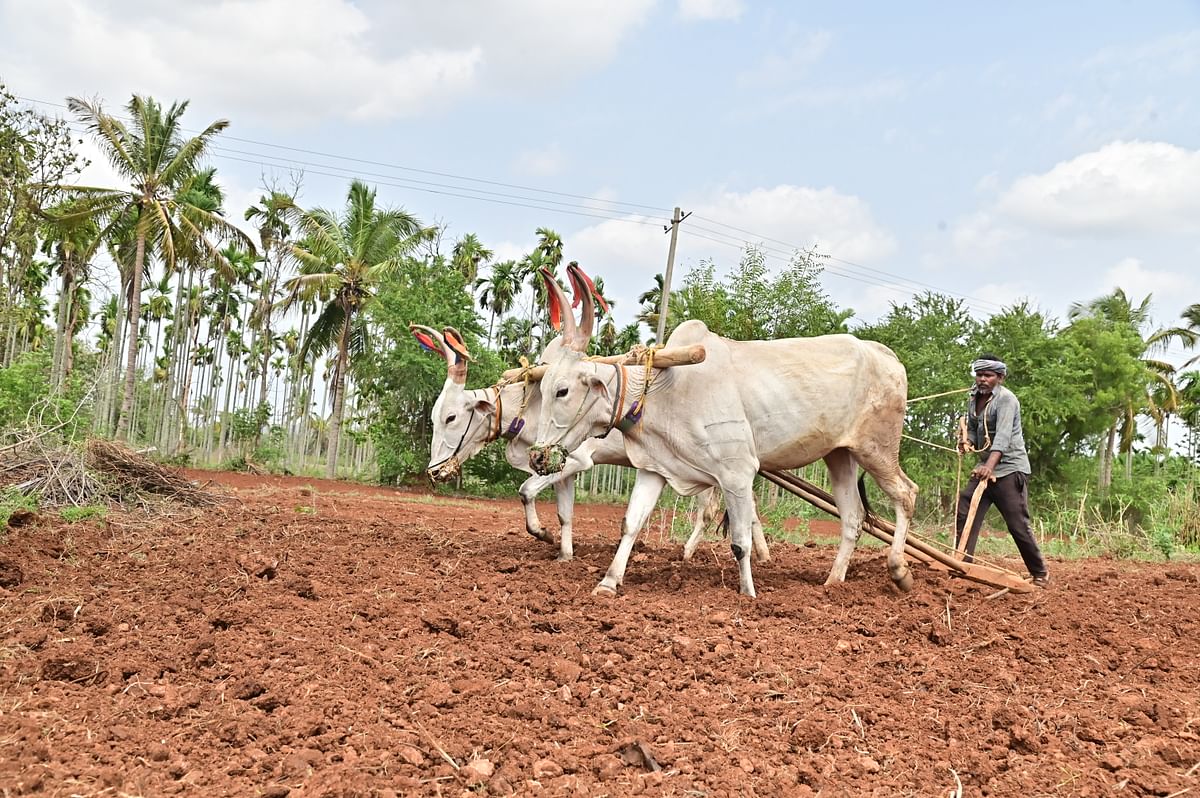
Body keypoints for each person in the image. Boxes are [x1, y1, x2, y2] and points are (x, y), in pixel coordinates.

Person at [955, 353, 1050, 587]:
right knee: (966, 504)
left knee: (1016, 522)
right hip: (986, 468)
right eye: (979, 375)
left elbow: (1004, 437)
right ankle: (962, 563)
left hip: (1009, 468)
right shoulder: (973, 398)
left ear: (1000, 377)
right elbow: (976, 429)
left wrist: (988, 466)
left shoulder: (1007, 400)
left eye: (988, 375)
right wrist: (967, 441)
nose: (982, 379)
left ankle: (1040, 574)